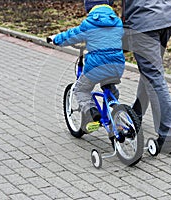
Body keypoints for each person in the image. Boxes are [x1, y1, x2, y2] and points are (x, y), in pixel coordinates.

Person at [48, 0, 125, 133]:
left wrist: (55, 39)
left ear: (89, 8)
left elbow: (71, 35)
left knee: (81, 90)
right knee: (110, 89)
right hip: (117, 65)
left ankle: (92, 114)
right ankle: (115, 115)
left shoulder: (89, 24)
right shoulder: (117, 22)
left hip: (97, 67)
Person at [122, 0, 171, 153]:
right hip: (167, 17)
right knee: (151, 72)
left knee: (153, 76)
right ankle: (137, 111)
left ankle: (170, 136)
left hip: (144, 22)